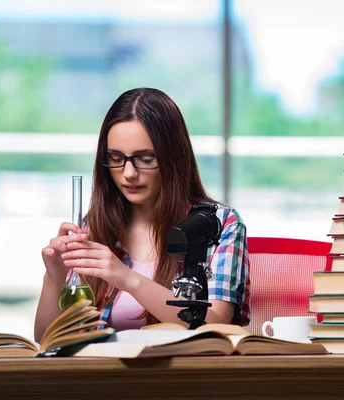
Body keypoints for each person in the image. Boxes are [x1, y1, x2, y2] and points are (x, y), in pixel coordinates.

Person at [34, 88, 250, 342]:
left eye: (145, 159)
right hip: (108, 376)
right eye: (116, 158)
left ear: (174, 158)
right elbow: (45, 337)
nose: (128, 174)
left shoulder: (218, 223)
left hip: (185, 377)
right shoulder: (95, 227)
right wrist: (54, 276)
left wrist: (127, 279)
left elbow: (215, 322)